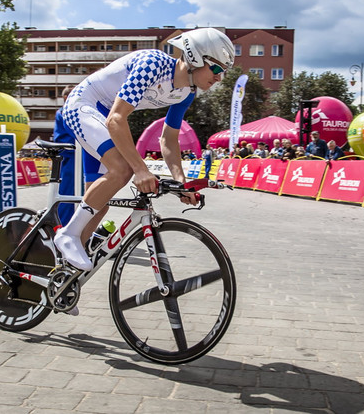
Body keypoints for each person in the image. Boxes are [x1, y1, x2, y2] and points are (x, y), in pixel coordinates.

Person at [51, 27, 234, 272]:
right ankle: (67, 234)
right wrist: (141, 169)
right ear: (196, 56)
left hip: (104, 116)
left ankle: (63, 278)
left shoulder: (186, 93)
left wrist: (181, 182)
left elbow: (169, 140)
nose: (219, 77)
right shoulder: (153, 64)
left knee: (99, 202)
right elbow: (116, 119)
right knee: (123, 170)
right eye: (217, 68)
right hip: (85, 104)